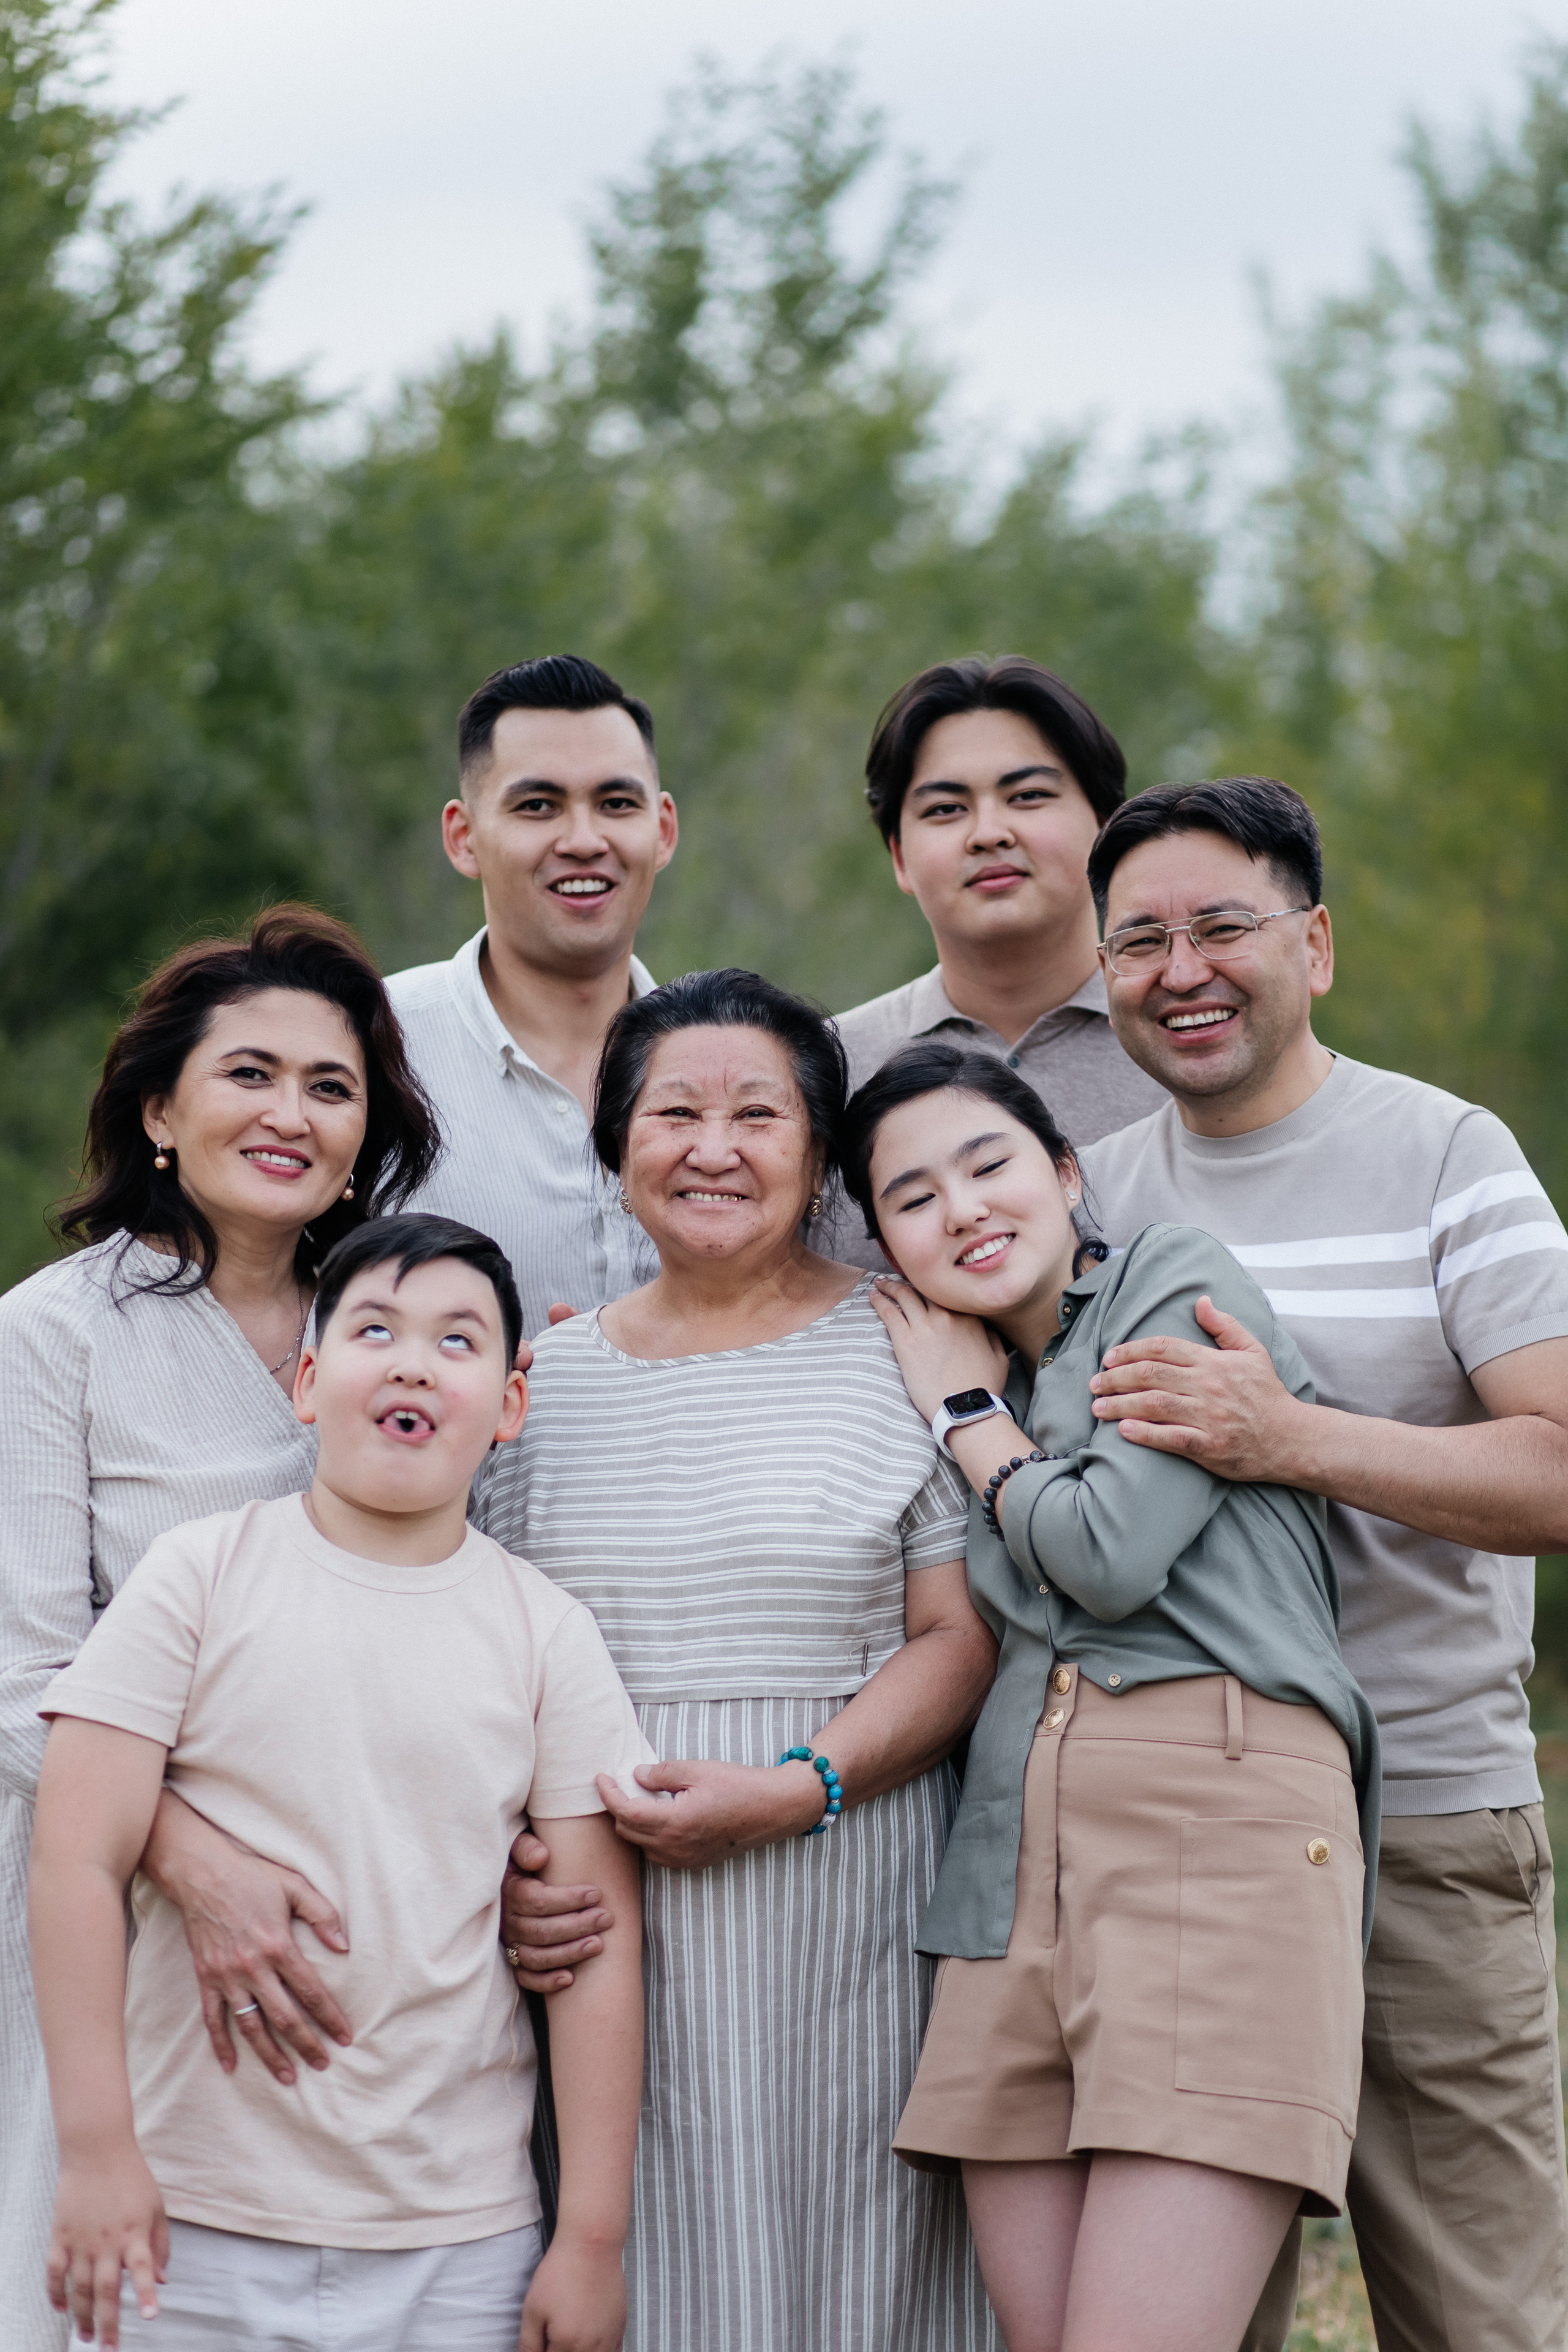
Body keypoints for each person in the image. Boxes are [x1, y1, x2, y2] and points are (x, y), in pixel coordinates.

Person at [1078, 776, 1568, 2352]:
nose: (1181, 968)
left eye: (1222, 924)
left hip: (1422, 1816)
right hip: (1173, 1850)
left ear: (1315, 943)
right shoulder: (1084, 1197)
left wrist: (1282, 1433)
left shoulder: (1445, 1151)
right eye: (1138, 939)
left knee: (1478, 2312)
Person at [479, 969, 1000, 2352]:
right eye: (673, 1112)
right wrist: (508, 1870)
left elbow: (958, 1637)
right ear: (615, 1142)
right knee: (647, 2272)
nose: (712, 1147)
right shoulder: (541, 1381)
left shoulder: (906, 1339)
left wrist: (793, 1786)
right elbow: (479, 1666)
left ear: (820, 1151)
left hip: (856, 1896)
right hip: (606, 1936)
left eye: (757, 1114)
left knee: (861, 2271)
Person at [836, 1042, 1378, 2352]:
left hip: (1217, 1824)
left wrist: (965, 1416)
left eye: (986, 1165)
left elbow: (1105, 1555)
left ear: (1066, 1171)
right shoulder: (955, 1371)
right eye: (910, 1198)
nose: (958, 1210)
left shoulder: (1167, 1283)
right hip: (1006, 1867)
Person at [29, 1213, 648, 2351]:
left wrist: (591, 2240)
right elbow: (74, 1855)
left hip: (457, 2236)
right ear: (311, 1383)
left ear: (508, 1407)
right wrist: (99, 2150)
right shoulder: (199, 1576)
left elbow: (596, 1949)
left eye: (457, 1341)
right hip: (190, 2217)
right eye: (377, 1329)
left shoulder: (547, 1633)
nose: (413, 1359)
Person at [0, 906, 440, 2352]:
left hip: (358, 1905)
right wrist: (197, 1865)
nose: (290, 1114)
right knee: (114, 2292)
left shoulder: (389, 1327)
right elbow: (22, 1679)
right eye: (249, 1073)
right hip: (110, 1905)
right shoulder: (53, 1334)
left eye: (331, 1085)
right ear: (158, 1107)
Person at [820, 655, 1163, 1273]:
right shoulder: (826, 1072)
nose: (988, 832)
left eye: (1027, 796)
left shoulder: (1191, 1043)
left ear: (1108, 829)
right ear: (899, 856)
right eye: (946, 809)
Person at [386, 652, 679, 1340]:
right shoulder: (369, 1048)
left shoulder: (735, 1063)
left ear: (662, 830)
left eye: (616, 804)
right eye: (537, 806)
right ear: (463, 837)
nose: (583, 841)